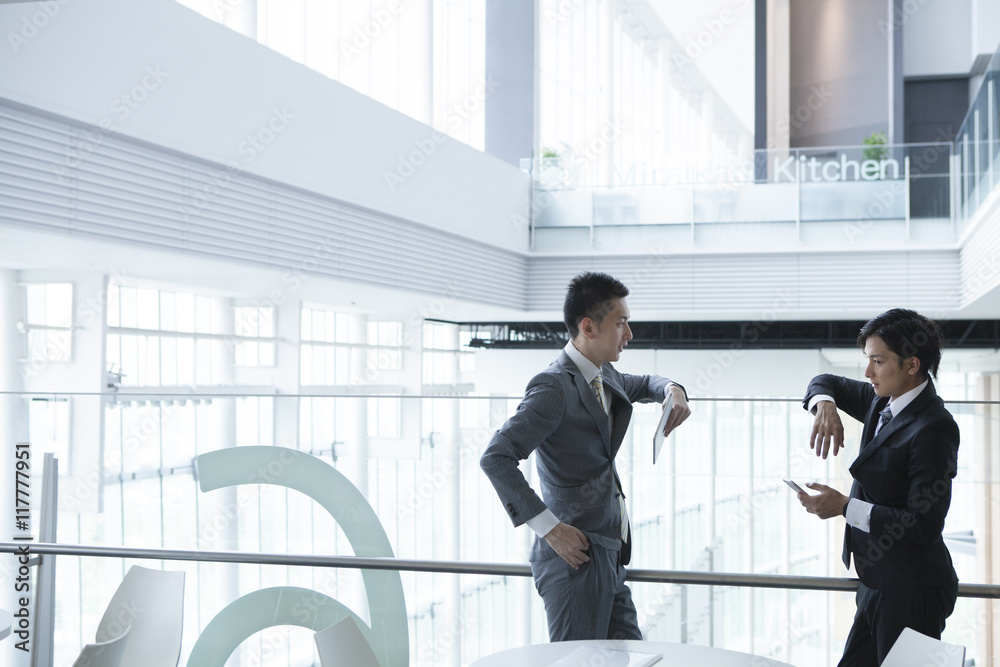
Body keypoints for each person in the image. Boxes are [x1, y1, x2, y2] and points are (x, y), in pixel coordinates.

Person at [480, 271, 691, 641]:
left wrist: (673, 389)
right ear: (589, 327)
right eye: (621, 323)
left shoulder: (602, 374)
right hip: (573, 561)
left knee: (629, 656)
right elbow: (496, 457)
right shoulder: (553, 386)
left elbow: (644, 383)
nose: (629, 334)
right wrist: (551, 530)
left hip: (608, 555)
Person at [799, 308, 959, 666]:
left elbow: (923, 524)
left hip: (913, 588)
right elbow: (825, 380)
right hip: (876, 581)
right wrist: (824, 404)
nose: (868, 372)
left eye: (878, 361)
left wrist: (844, 507)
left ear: (912, 365)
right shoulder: (881, 400)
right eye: (867, 360)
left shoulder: (934, 428)